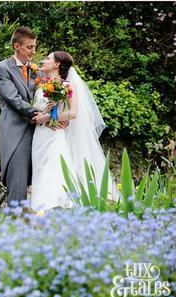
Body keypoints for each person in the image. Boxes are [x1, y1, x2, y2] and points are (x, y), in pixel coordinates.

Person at [30, 51, 119, 212]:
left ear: (57, 64)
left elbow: (73, 113)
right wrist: (41, 115)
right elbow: (34, 114)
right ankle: (40, 212)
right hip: (39, 137)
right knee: (40, 172)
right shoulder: (40, 87)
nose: (44, 60)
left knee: (55, 172)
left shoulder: (68, 86)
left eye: (48, 58)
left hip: (55, 136)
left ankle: (57, 211)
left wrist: (50, 117)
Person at [0, 27, 49, 205]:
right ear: (17, 46)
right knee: (17, 184)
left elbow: (46, 96)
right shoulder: (2, 69)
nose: (34, 51)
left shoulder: (37, 71)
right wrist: (39, 114)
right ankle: (14, 228)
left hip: (40, 132)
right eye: (29, 47)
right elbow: (13, 99)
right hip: (17, 131)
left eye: (34, 47)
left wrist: (53, 116)